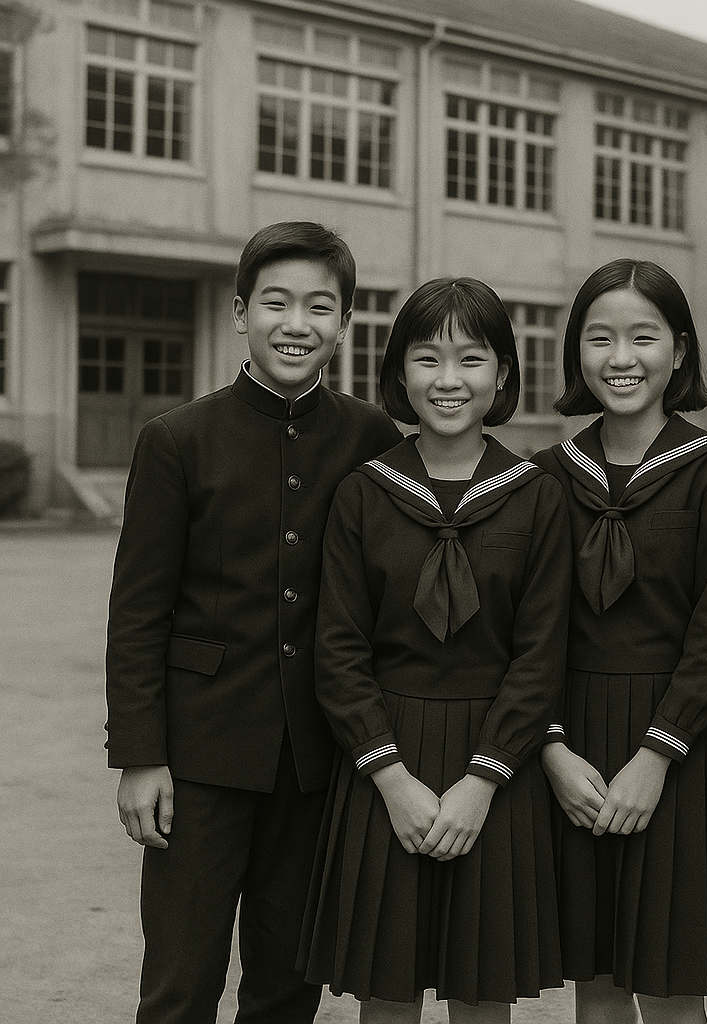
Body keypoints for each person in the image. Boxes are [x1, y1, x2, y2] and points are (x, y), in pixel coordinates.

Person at [105, 221, 402, 1024]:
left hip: (317, 762)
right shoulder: (176, 440)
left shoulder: (372, 437)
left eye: (319, 306)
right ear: (241, 312)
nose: (296, 323)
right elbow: (138, 609)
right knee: (179, 984)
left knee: (286, 987)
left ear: (345, 321)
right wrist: (139, 755)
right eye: (276, 302)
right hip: (198, 759)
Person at [299, 278, 571, 1024]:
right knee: (387, 992)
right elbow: (339, 648)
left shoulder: (535, 495)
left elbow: (542, 652)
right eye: (427, 358)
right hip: (386, 761)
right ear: (398, 373)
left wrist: (483, 781)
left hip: (497, 764)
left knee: (481, 993)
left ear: (504, 374)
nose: (448, 380)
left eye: (472, 359)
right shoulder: (362, 493)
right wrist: (392, 779)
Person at [533, 259, 707, 1024]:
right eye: (600, 339)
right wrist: (553, 749)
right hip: (572, 747)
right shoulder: (543, 479)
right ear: (577, 354)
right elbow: (529, 635)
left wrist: (657, 756)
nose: (621, 358)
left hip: (680, 750)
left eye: (643, 337)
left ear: (681, 352)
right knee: (596, 986)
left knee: (671, 988)